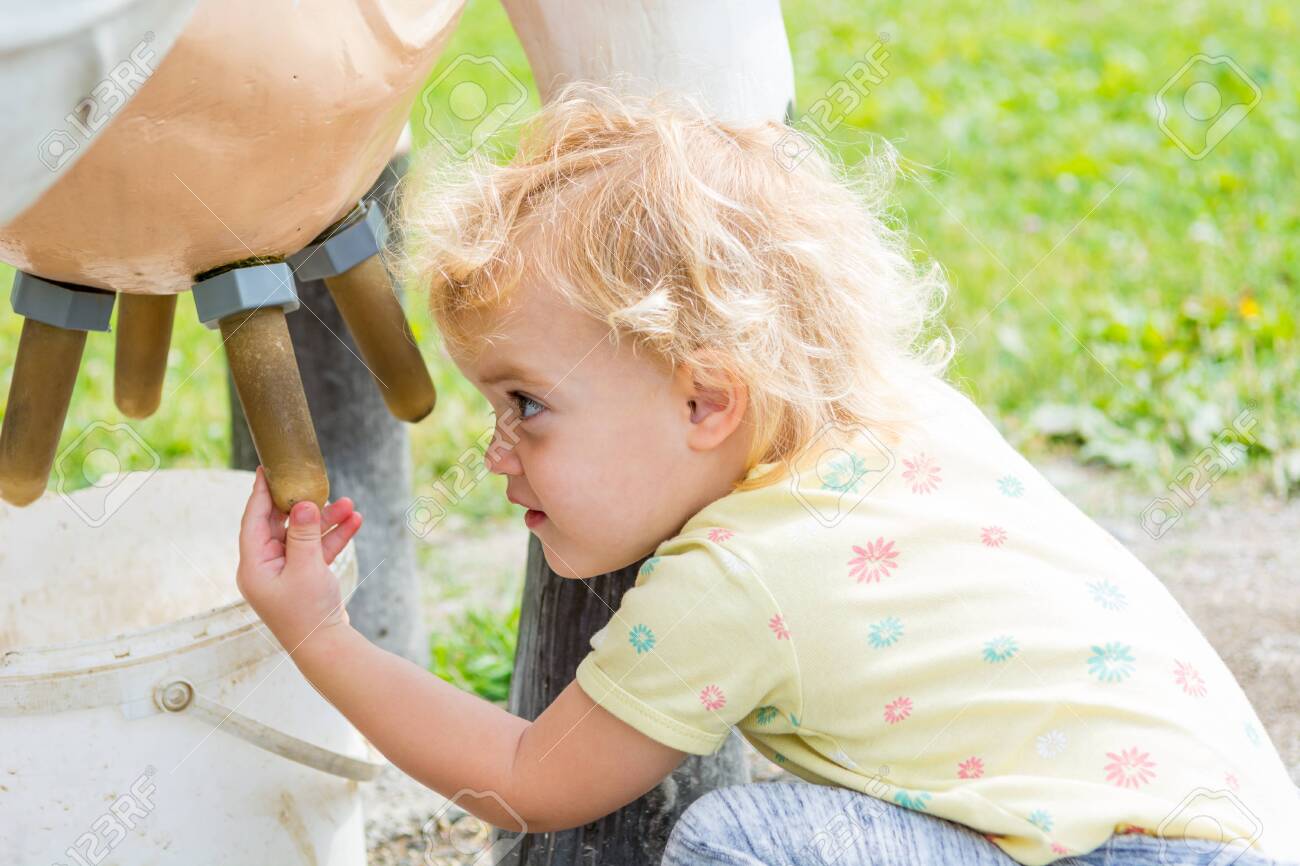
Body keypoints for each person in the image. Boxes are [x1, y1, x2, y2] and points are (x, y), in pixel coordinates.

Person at [236, 84, 1300, 866]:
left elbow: (529, 779)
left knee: (739, 839)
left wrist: (320, 632)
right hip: (1238, 828)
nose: (494, 449)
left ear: (706, 400)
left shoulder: (732, 579)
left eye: (526, 402)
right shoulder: (911, 417)